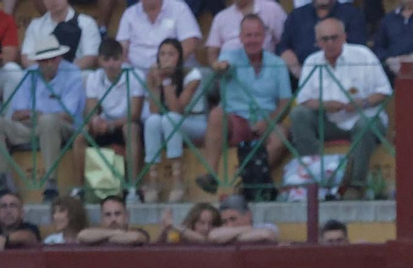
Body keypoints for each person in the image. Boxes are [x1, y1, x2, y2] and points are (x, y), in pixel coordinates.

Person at [291, 17, 390, 198]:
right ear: (317, 42)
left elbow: (384, 91)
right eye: (325, 39)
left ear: (344, 37)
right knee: (299, 115)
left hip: (364, 118)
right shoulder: (312, 61)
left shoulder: (363, 55)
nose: (330, 43)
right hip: (329, 121)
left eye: (334, 38)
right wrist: (324, 105)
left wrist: (363, 103)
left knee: (365, 124)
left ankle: (355, 186)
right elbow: (303, 99)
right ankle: (315, 177)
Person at [199, 13, 292, 193]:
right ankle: (210, 174)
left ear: (264, 37)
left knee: (282, 135)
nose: (252, 40)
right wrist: (220, 66)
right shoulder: (230, 56)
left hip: (267, 120)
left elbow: (285, 101)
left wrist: (269, 121)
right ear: (240, 37)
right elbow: (223, 66)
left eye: (257, 35)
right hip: (236, 120)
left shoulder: (278, 63)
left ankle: (245, 174)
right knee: (216, 114)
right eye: (248, 35)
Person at [0, 38, 84, 201]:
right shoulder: (30, 74)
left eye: (53, 59)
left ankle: (51, 183)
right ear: (38, 61)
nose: (49, 63)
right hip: (32, 126)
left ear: (60, 57)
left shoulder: (73, 73)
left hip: (64, 127)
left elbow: (67, 115)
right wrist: (38, 115)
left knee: (48, 121)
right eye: (44, 60)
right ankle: (3, 183)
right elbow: (16, 114)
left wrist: (35, 114)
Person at [140, 37, 205, 202]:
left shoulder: (192, 75)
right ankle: (153, 178)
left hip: (194, 122)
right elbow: (154, 110)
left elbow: (178, 109)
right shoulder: (154, 75)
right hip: (168, 122)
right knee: (152, 121)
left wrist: (166, 81)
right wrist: (155, 84)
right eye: (162, 54)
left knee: (171, 118)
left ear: (179, 57)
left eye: (171, 54)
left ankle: (178, 180)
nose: (166, 58)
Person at [79, 39, 142, 195]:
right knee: (81, 135)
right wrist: (96, 121)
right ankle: (80, 188)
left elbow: (135, 114)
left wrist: (111, 124)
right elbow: (92, 110)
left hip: (126, 123)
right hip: (105, 124)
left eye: (115, 59)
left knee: (131, 129)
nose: (111, 64)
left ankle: (132, 186)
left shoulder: (135, 76)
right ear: (99, 61)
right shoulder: (93, 78)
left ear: (123, 59)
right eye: (106, 60)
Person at [279, 0, 366, 79]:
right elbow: (283, 48)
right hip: (301, 80)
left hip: (344, 78)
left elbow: (357, 51)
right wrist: (302, 74)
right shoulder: (296, 16)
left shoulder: (352, 14)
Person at [115, 0, 201, 73]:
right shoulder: (129, 14)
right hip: (137, 74)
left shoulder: (179, 8)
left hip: (174, 71)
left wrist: (169, 65)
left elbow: (189, 44)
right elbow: (121, 48)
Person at [21, 0, 101, 70]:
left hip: (77, 75)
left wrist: (65, 73)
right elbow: (26, 57)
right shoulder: (35, 25)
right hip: (43, 76)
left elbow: (90, 57)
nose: (53, 1)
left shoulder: (86, 23)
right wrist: (43, 73)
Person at [204, 0, 285, 66]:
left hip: (264, 70)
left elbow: (285, 42)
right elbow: (212, 52)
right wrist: (218, 69)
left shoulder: (271, 9)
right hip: (229, 73)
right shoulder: (220, 17)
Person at [76, 191, 150, 243]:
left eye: (117, 214)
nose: (113, 219)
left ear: (126, 216)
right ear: (102, 218)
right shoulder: (97, 234)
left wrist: (104, 238)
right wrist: (114, 233)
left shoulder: (139, 232)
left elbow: (135, 238)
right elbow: (82, 235)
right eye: (108, 214)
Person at [208, 192, 279, 243]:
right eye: (225, 221)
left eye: (233, 219)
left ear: (248, 215)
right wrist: (247, 229)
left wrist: (227, 238)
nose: (229, 225)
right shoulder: (223, 229)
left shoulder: (266, 226)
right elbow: (213, 236)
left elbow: (266, 234)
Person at [154, 198, 219, 241]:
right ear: (192, 222)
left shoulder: (217, 238)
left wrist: (173, 225)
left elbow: (204, 240)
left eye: (211, 224)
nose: (206, 228)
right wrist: (164, 230)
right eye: (201, 223)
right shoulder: (179, 235)